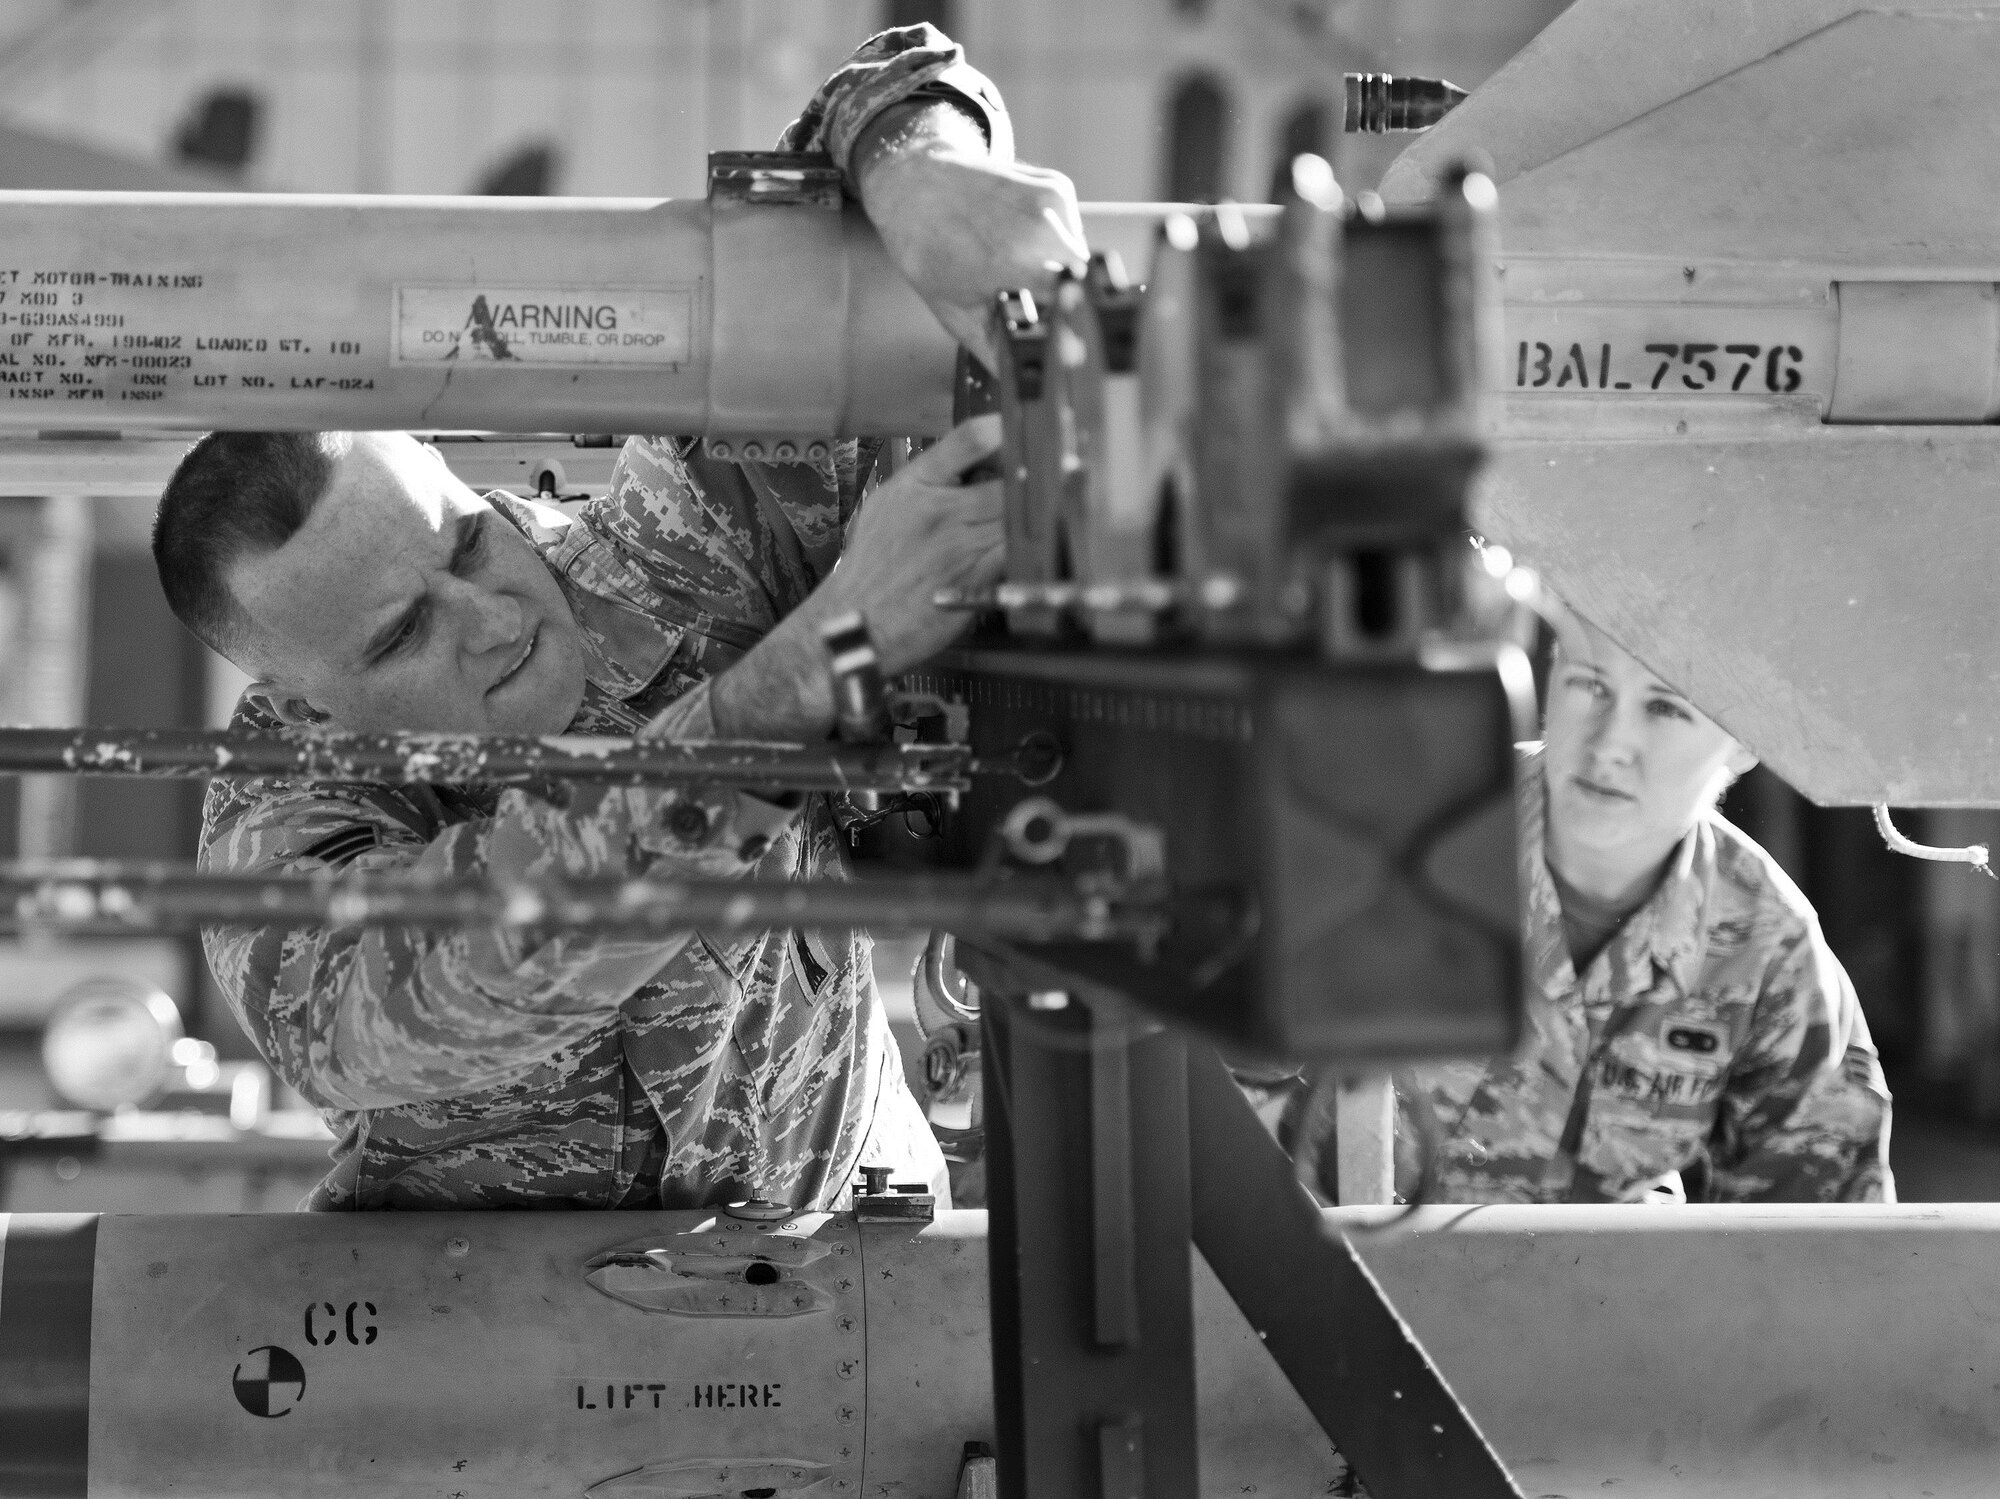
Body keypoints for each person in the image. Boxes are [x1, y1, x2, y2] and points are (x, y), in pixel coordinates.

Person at [150, 25, 1086, 1210]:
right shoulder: (280, 811)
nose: (488, 618)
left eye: (466, 538)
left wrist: (921, 164)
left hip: (848, 1271)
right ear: (303, 700)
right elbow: (409, 1000)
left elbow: (861, 101)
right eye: (398, 637)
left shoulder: (678, 544)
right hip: (502, 1336)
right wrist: (813, 662)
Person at [1392, 605, 1894, 1203]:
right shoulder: (1398, 848)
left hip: (1604, 1296)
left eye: (1665, 708)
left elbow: (1816, 1252)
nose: (1609, 745)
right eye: (1590, 684)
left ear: (1745, 743)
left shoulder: (1767, 946)